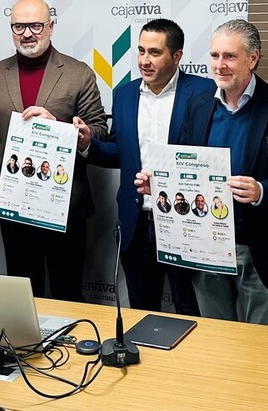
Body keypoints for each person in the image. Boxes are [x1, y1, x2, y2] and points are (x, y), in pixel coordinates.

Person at [139, 19, 268, 326]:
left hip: (261, 247)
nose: (220, 65)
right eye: (215, 56)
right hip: (206, 244)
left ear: (253, 58)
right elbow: (181, 165)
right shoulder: (198, 105)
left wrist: (262, 190)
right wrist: (159, 184)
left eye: (229, 56)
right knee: (216, 339)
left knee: (266, 342)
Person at [0, 0, 107, 301]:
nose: (27, 33)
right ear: (11, 29)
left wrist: (58, 125)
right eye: (19, 26)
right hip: (14, 205)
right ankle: (26, 349)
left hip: (65, 205)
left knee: (67, 291)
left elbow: (99, 130)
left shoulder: (78, 72)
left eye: (35, 25)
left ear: (51, 27)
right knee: (22, 294)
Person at [75, 18, 213, 315]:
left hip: (185, 219)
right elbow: (118, 153)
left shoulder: (205, 92)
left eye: (154, 52)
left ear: (176, 56)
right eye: (140, 51)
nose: (144, 61)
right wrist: (87, 143)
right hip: (137, 220)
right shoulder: (125, 94)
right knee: (141, 308)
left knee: (191, 308)